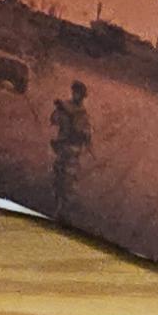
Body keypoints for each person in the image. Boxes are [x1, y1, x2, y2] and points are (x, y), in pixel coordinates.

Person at [50, 80, 93, 217]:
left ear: (82, 96)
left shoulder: (82, 113)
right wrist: (59, 111)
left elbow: (84, 131)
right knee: (58, 175)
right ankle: (57, 203)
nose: (75, 95)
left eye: (78, 93)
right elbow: (54, 120)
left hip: (73, 149)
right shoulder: (65, 106)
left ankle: (64, 208)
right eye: (74, 92)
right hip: (62, 146)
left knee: (68, 179)